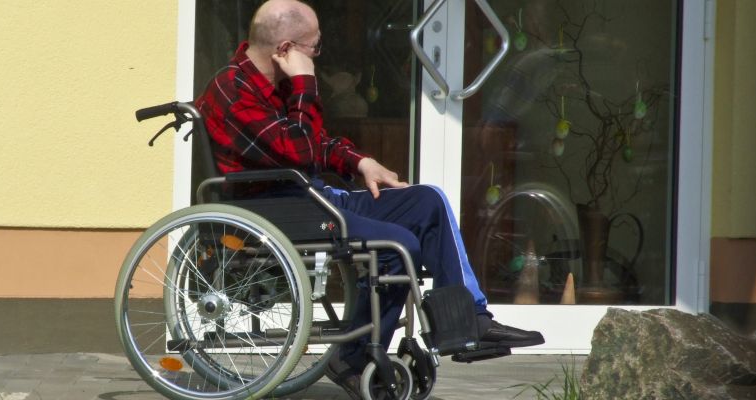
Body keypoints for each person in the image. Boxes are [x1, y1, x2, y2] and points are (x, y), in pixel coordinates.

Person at [195, 0, 544, 397]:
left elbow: (314, 144)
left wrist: (361, 162)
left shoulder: (272, 81)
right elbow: (300, 151)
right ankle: (353, 353)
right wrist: (305, 85)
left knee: (427, 200)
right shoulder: (232, 87)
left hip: (309, 198)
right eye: (314, 47)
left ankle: (468, 321)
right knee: (398, 245)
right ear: (285, 49)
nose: (317, 57)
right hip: (274, 208)